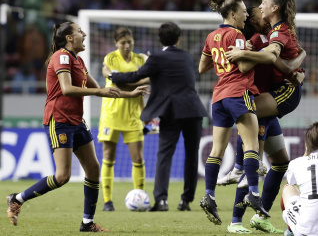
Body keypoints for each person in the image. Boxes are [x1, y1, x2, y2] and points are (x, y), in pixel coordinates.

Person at [6, 22, 148, 232]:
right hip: (59, 119)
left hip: (76, 120)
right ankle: (17, 198)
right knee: (62, 176)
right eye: (79, 32)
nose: (84, 34)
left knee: (93, 168)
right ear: (70, 38)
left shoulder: (78, 60)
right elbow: (66, 89)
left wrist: (130, 94)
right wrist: (100, 93)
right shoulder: (61, 56)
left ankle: (87, 223)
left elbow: (100, 88)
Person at [104, 22, 208, 212]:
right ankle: (186, 200)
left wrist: (113, 75)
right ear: (178, 39)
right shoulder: (186, 56)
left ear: (160, 40)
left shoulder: (157, 58)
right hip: (193, 111)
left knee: (164, 156)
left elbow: (135, 76)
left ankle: (161, 201)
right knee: (192, 156)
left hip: (171, 112)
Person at [223, 6, 306, 234]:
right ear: (254, 19)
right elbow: (274, 58)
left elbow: (285, 59)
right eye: (258, 11)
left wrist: (299, 68)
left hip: (268, 106)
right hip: (258, 105)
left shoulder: (266, 39)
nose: (262, 12)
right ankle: (236, 221)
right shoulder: (257, 39)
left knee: (280, 163)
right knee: (254, 164)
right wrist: (298, 62)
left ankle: (261, 216)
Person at [198, 0, 269, 225]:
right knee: (250, 145)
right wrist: (251, 52)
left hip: (218, 96)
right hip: (239, 92)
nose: (246, 14)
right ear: (231, 13)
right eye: (242, 11)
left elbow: (202, 67)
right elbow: (243, 66)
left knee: (216, 149)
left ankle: (209, 195)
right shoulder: (237, 34)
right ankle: (253, 192)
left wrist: (220, 62)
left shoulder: (212, 36)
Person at [98, 27, 149, 212]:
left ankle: (141, 197)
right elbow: (118, 82)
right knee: (108, 157)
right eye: (123, 43)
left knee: (138, 158)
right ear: (116, 43)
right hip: (111, 114)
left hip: (133, 115)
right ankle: (107, 201)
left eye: (130, 42)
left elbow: (149, 78)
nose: (127, 46)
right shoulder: (110, 58)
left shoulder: (140, 59)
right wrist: (140, 80)